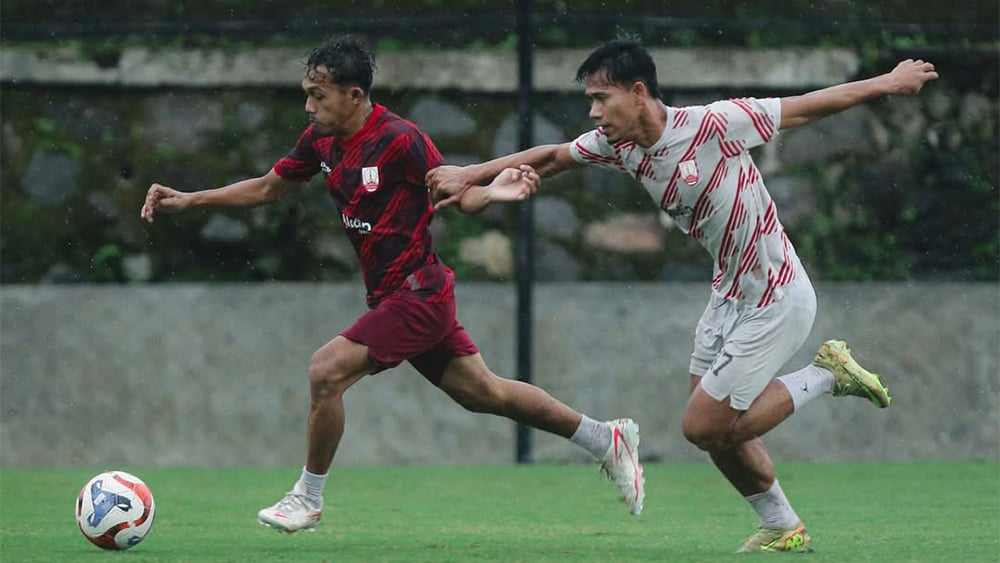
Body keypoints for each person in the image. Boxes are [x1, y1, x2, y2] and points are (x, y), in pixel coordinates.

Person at [428, 38, 938, 553]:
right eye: (590, 99)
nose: (593, 111)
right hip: (728, 295)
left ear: (639, 92)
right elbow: (553, 156)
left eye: (602, 98)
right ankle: (783, 526)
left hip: (776, 293)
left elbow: (807, 107)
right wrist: (474, 173)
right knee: (718, 429)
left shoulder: (714, 124)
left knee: (703, 426)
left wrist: (888, 83)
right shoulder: (618, 145)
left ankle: (827, 374)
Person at [139, 34, 645, 533]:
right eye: (307, 95)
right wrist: (189, 200)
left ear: (354, 96)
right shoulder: (319, 141)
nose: (309, 107)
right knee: (484, 392)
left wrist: (491, 194)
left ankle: (307, 498)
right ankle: (604, 439)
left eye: (319, 96)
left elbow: (454, 192)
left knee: (326, 372)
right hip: (395, 296)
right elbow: (269, 188)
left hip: (419, 293)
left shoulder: (401, 139)